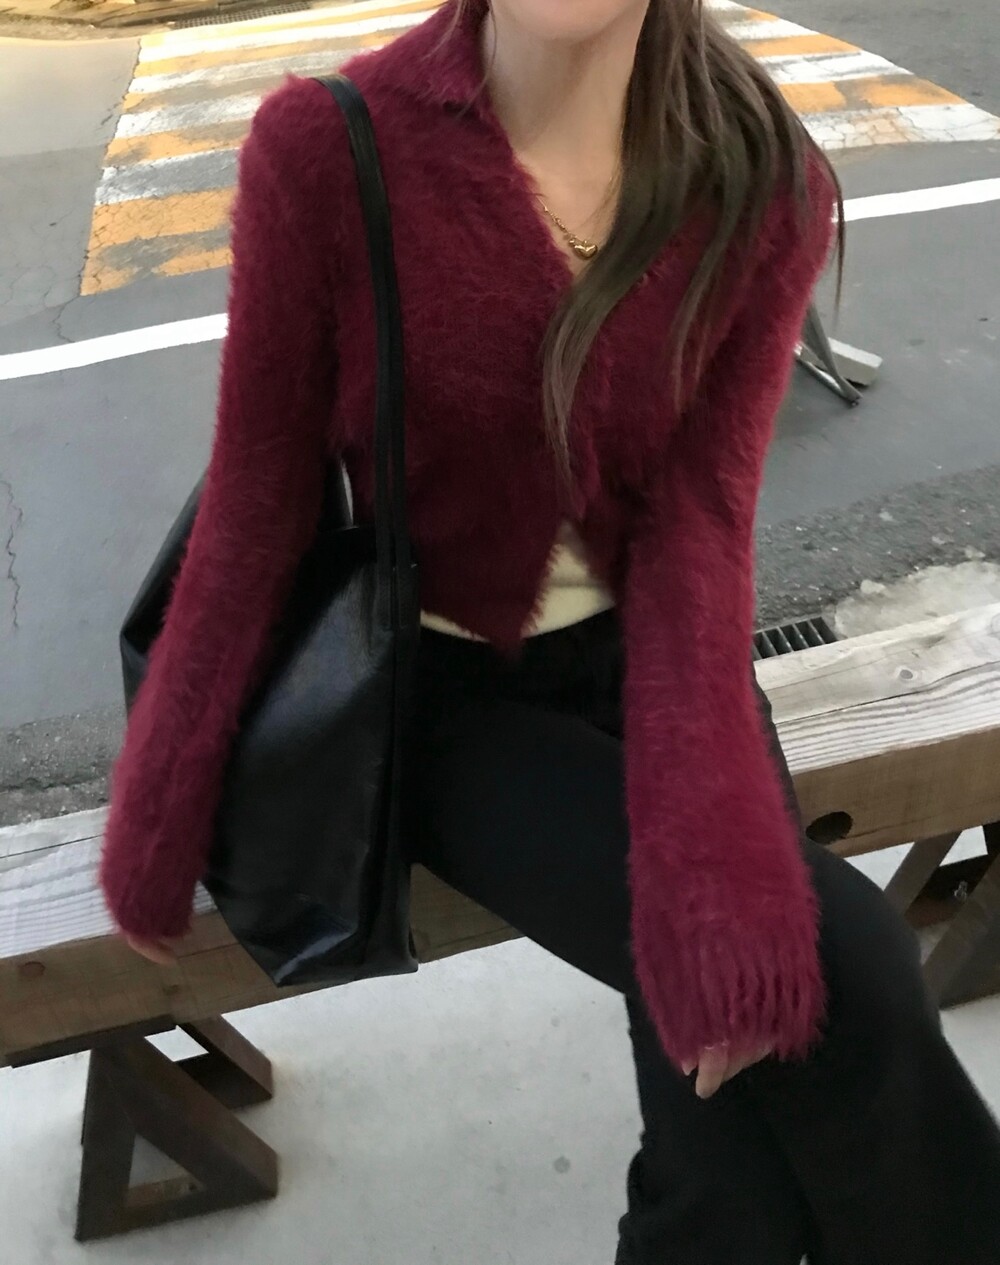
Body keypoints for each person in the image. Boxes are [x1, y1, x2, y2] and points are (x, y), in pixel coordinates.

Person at [98, 0, 1000, 1259]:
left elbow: (699, 526)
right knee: (846, 975)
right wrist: (157, 808)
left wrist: (711, 871)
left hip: (668, 660)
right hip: (443, 693)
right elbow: (259, 496)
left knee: (737, 1115)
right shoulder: (331, 148)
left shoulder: (758, 171)